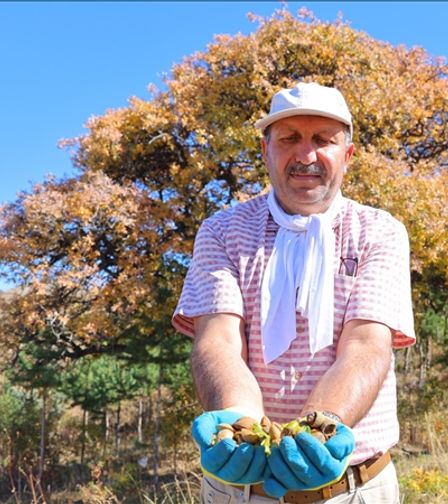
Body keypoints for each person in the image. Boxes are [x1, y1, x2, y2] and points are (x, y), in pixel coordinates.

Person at [173, 82, 416, 504]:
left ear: (348, 154)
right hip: (242, 490)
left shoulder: (380, 232)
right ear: (265, 150)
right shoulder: (222, 232)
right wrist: (240, 425)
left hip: (353, 488)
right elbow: (219, 340)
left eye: (323, 140)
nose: (306, 155)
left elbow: (366, 344)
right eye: (289, 139)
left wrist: (320, 429)